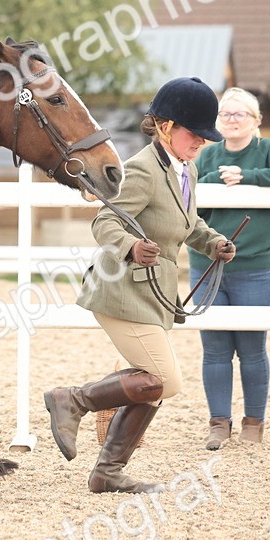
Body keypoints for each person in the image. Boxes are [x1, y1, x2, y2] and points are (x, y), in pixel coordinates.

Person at [45, 76, 236, 493]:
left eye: (205, 135)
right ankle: (72, 400)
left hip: (152, 294)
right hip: (121, 290)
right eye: (194, 133)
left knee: (153, 385)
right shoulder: (142, 170)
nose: (202, 141)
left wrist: (213, 242)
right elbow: (105, 221)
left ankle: (107, 473)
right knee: (164, 380)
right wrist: (131, 246)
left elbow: (187, 224)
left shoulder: (186, 169)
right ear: (166, 127)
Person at [189, 87, 270, 449]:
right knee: (214, 349)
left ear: (256, 120)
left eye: (240, 113)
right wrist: (217, 182)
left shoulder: (268, 150)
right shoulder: (207, 155)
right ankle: (218, 422)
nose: (232, 120)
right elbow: (188, 196)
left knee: (252, 348)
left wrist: (249, 177)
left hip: (254, 266)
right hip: (208, 265)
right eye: (225, 114)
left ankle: (254, 422)